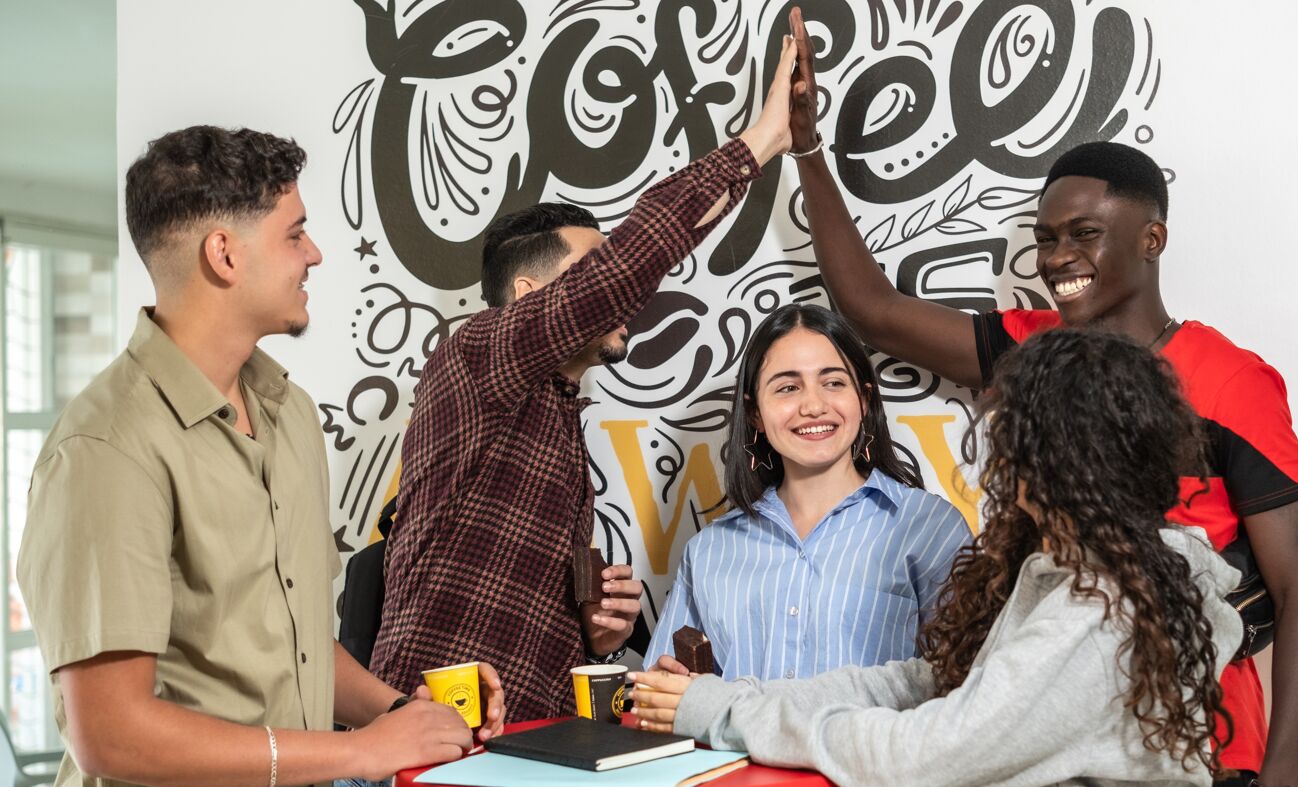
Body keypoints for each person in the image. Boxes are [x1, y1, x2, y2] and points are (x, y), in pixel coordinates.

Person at [781, 9, 1298, 783]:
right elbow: (871, 308)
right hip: (1044, 739)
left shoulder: (1231, 378)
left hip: (1197, 745)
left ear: (1152, 237)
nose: (1058, 257)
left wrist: (1284, 773)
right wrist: (805, 145)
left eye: (1084, 233)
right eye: (1046, 237)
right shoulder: (1029, 349)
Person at [16, 126, 505, 787]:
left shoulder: (289, 412)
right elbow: (111, 732)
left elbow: (297, 648)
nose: (315, 254)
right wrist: (361, 752)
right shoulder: (106, 448)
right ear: (224, 254)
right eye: (294, 233)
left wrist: (405, 714)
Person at [371, 36, 802, 721]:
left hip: (515, 750)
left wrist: (595, 630)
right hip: (425, 741)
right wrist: (761, 140)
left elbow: (537, 625)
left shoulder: (559, 413)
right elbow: (633, 262)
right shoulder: (478, 355)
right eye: (590, 278)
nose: (617, 296)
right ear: (525, 293)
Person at [633, 328, 1243, 787]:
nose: (1000, 460)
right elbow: (923, 680)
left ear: (1059, 456)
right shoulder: (1061, 571)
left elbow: (933, 751)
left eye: (1012, 440)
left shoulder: (1101, 608)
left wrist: (727, 711)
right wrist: (736, 698)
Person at [643, 304, 969, 680]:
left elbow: (967, 690)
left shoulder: (929, 529)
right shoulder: (709, 551)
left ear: (864, 400)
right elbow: (667, 695)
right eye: (787, 387)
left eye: (833, 382)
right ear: (755, 415)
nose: (814, 406)